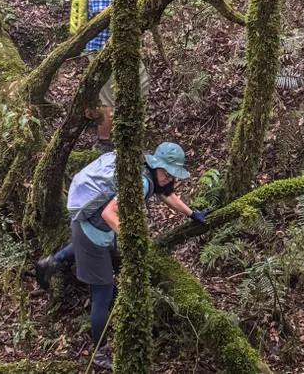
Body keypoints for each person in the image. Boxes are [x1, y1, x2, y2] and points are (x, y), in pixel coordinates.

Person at [34, 142, 209, 370]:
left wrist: (192, 214)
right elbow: (109, 214)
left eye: (172, 174)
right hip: (93, 231)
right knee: (103, 295)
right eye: (167, 172)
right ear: (157, 165)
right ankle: (99, 352)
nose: (168, 178)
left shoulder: (147, 170)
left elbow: (167, 195)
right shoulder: (143, 181)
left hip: (87, 225)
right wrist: (133, 238)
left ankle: (50, 263)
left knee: (83, 248)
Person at [85, 0, 149, 149]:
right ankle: (104, 143)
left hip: (123, 47)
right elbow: (100, 20)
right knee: (108, 97)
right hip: (103, 49)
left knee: (141, 83)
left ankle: (125, 132)